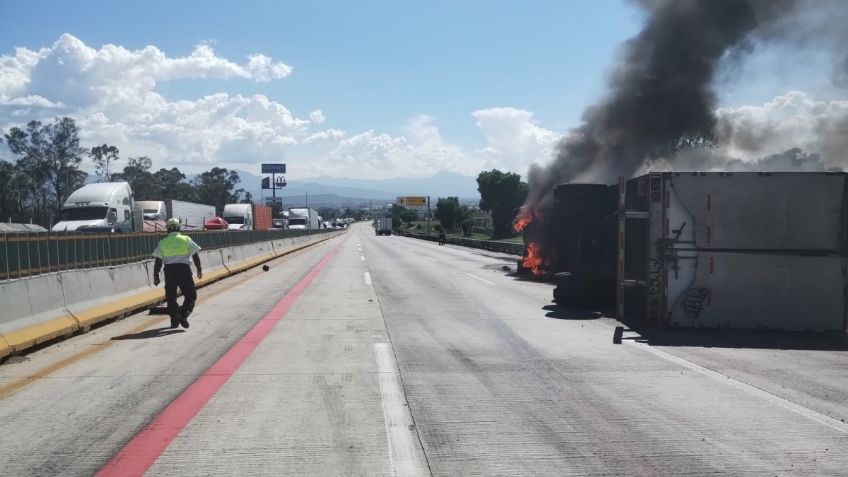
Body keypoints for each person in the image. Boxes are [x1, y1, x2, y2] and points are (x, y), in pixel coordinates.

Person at [152, 218, 203, 329]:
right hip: (183, 270)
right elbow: (195, 255)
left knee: (171, 297)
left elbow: (158, 261)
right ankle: (182, 314)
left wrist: (156, 275)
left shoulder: (162, 242)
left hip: (169, 271)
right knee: (191, 295)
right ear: (179, 227)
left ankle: (174, 321)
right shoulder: (186, 239)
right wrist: (199, 269)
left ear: (167, 229)